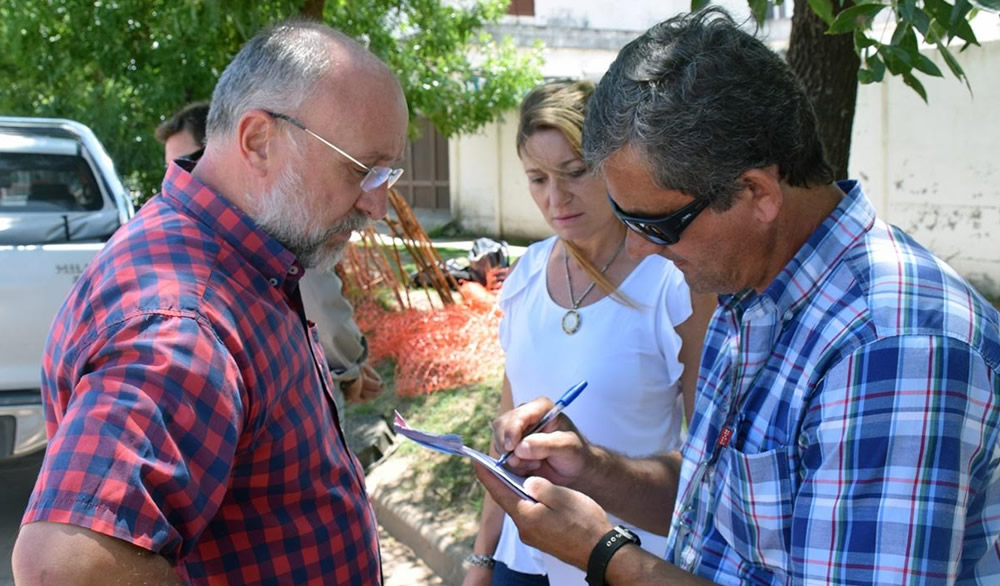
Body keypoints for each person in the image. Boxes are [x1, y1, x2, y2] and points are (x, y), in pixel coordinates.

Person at [476, 8, 1000, 586]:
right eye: (627, 220)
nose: (643, 251)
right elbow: (717, 507)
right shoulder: (746, 292)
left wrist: (608, 556)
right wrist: (595, 469)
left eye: (659, 224)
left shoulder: (893, 350)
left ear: (757, 193)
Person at [13, 20, 408, 584]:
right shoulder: (186, 321)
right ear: (258, 141)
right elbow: (65, 567)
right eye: (362, 170)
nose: (378, 207)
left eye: (387, 175)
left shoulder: (238, 251)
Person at [463, 80, 713, 586]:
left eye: (574, 172)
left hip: (623, 561)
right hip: (522, 558)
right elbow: (505, 444)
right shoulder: (527, 275)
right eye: (537, 179)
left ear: (612, 162)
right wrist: (481, 559)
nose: (556, 198)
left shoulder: (674, 281)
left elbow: (707, 460)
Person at [156, 101, 383, 405]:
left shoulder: (271, 219)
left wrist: (349, 368)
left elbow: (318, 301)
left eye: (188, 161)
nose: (182, 177)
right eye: (171, 169)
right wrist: (350, 368)